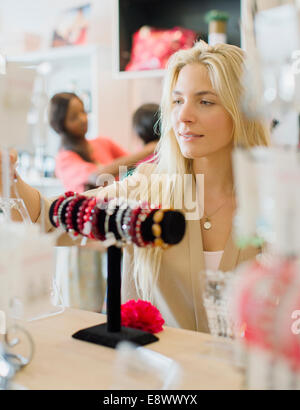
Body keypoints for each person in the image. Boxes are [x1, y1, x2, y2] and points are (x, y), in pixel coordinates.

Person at [3, 41, 270, 332]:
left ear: (243, 111)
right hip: (154, 373)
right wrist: (9, 178)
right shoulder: (146, 188)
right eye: (177, 101)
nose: (183, 116)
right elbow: (45, 217)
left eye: (205, 101)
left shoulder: (277, 202)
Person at [50, 92, 157, 192]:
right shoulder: (64, 160)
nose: (83, 119)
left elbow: (134, 164)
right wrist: (149, 149)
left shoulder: (103, 142)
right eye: (74, 117)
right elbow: (98, 177)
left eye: (83, 112)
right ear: (61, 125)